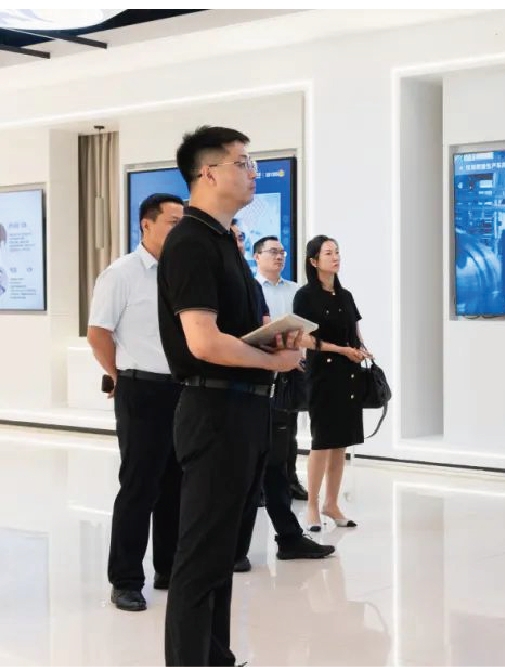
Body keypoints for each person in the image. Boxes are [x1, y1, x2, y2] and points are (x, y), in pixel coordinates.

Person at [157, 125, 304, 666]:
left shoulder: (223, 241)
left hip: (244, 409)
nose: (252, 173)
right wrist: (272, 361)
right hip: (215, 410)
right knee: (200, 560)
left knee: (222, 556)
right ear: (209, 172)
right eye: (243, 163)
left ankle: (217, 657)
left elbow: (239, 329)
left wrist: (277, 341)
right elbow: (202, 341)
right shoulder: (190, 242)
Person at [87, 193, 184, 612]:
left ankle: (169, 568)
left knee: (176, 484)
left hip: (182, 390)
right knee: (139, 486)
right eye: (173, 222)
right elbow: (98, 334)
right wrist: (119, 374)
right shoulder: (121, 274)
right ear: (147, 224)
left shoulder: (182, 272)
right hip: (140, 390)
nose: (180, 230)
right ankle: (126, 579)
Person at [232, 235, 331, 575]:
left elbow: (264, 328)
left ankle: (288, 537)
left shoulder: (254, 288)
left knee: (275, 464)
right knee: (244, 471)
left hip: (272, 381)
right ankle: (236, 548)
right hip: (235, 389)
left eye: (241, 239)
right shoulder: (224, 284)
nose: (237, 244)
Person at [293, 235, 370, 533]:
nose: (335, 257)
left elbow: (355, 331)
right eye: (328, 253)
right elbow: (302, 338)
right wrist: (341, 350)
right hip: (322, 374)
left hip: (348, 374)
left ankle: (332, 503)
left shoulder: (345, 296)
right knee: (322, 441)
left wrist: (362, 349)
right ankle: (312, 506)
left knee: (341, 443)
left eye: (337, 252)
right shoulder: (305, 296)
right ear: (314, 261)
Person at [252, 234, 309, 501]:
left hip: (291, 366)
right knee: (263, 430)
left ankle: (290, 480)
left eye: (282, 252)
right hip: (262, 365)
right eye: (273, 252)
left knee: (290, 429)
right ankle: (262, 485)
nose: (279, 257)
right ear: (257, 256)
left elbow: (303, 329)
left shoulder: (295, 290)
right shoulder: (253, 288)